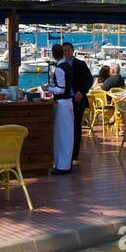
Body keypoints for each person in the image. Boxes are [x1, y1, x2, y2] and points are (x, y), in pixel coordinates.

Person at [62, 42, 94, 163]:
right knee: (65, 126)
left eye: (68, 50)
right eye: (64, 51)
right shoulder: (61, 65)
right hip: (64, 100)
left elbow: (89, 79)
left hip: (77, 99)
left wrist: (81, 92)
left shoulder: (80, 64)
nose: (66, 53)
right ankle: (66, 150)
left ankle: (74, 152)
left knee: (76, 126)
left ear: (72, 51)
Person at [47, 46, 75, 174]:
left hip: (62, 104)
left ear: (53, 55)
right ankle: (66, 164)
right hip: (68, 103)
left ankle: (62, 166)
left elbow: (61, 89)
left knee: (61, 136)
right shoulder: (68, 66)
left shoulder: (59, 69)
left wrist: (49, 89)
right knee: (67, 135)